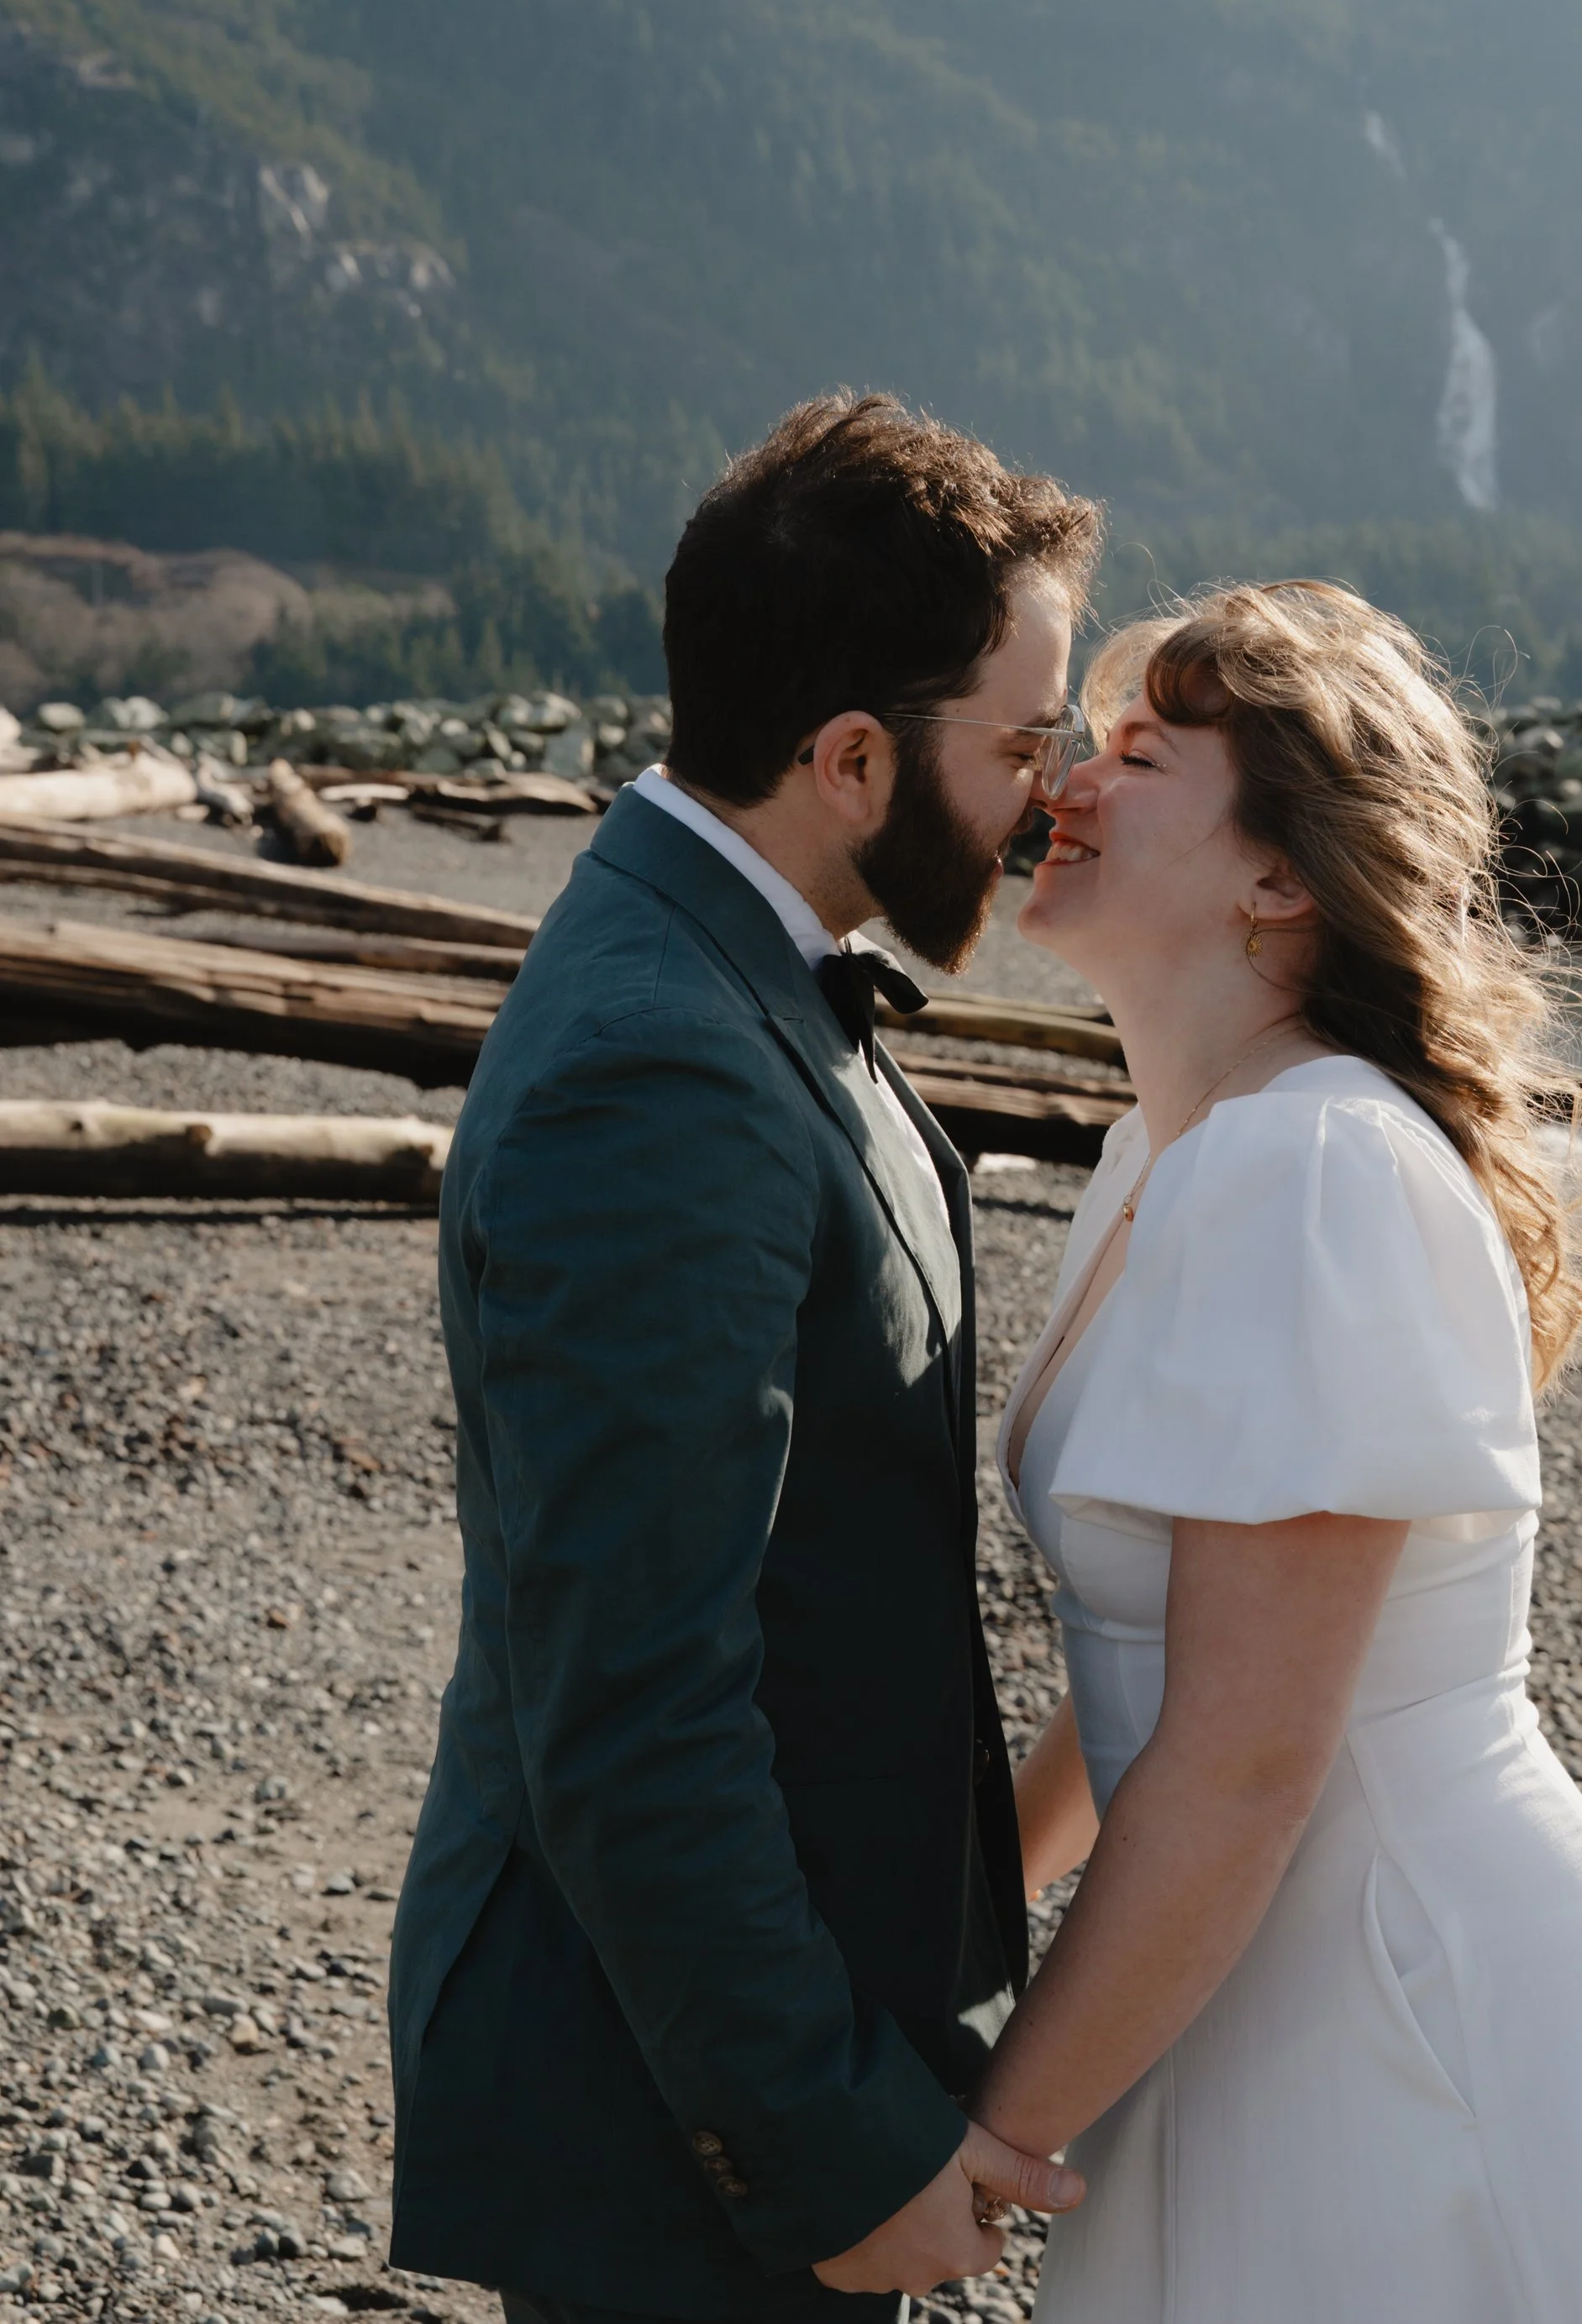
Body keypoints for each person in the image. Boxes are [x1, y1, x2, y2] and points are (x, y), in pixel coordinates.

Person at [973, 581, 1582, 2321]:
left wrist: (992, 2138)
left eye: (1135, 753)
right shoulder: (1164, 1156)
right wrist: (969, 1891)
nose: (1065, 778)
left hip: (1397, 2001)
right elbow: (1162, 1654)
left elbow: (1247, 1762)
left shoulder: (1315, 1167)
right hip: (1240, 1964)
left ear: (1279, 876)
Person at [387, 393, 1101, 2324]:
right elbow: (628, 1699)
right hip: (675, 2140)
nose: (1058, 787)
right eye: (1026, 738)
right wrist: (826, 2151)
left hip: (748, 2044)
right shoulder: (662, 1065)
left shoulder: (731, 967)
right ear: (851, 755)